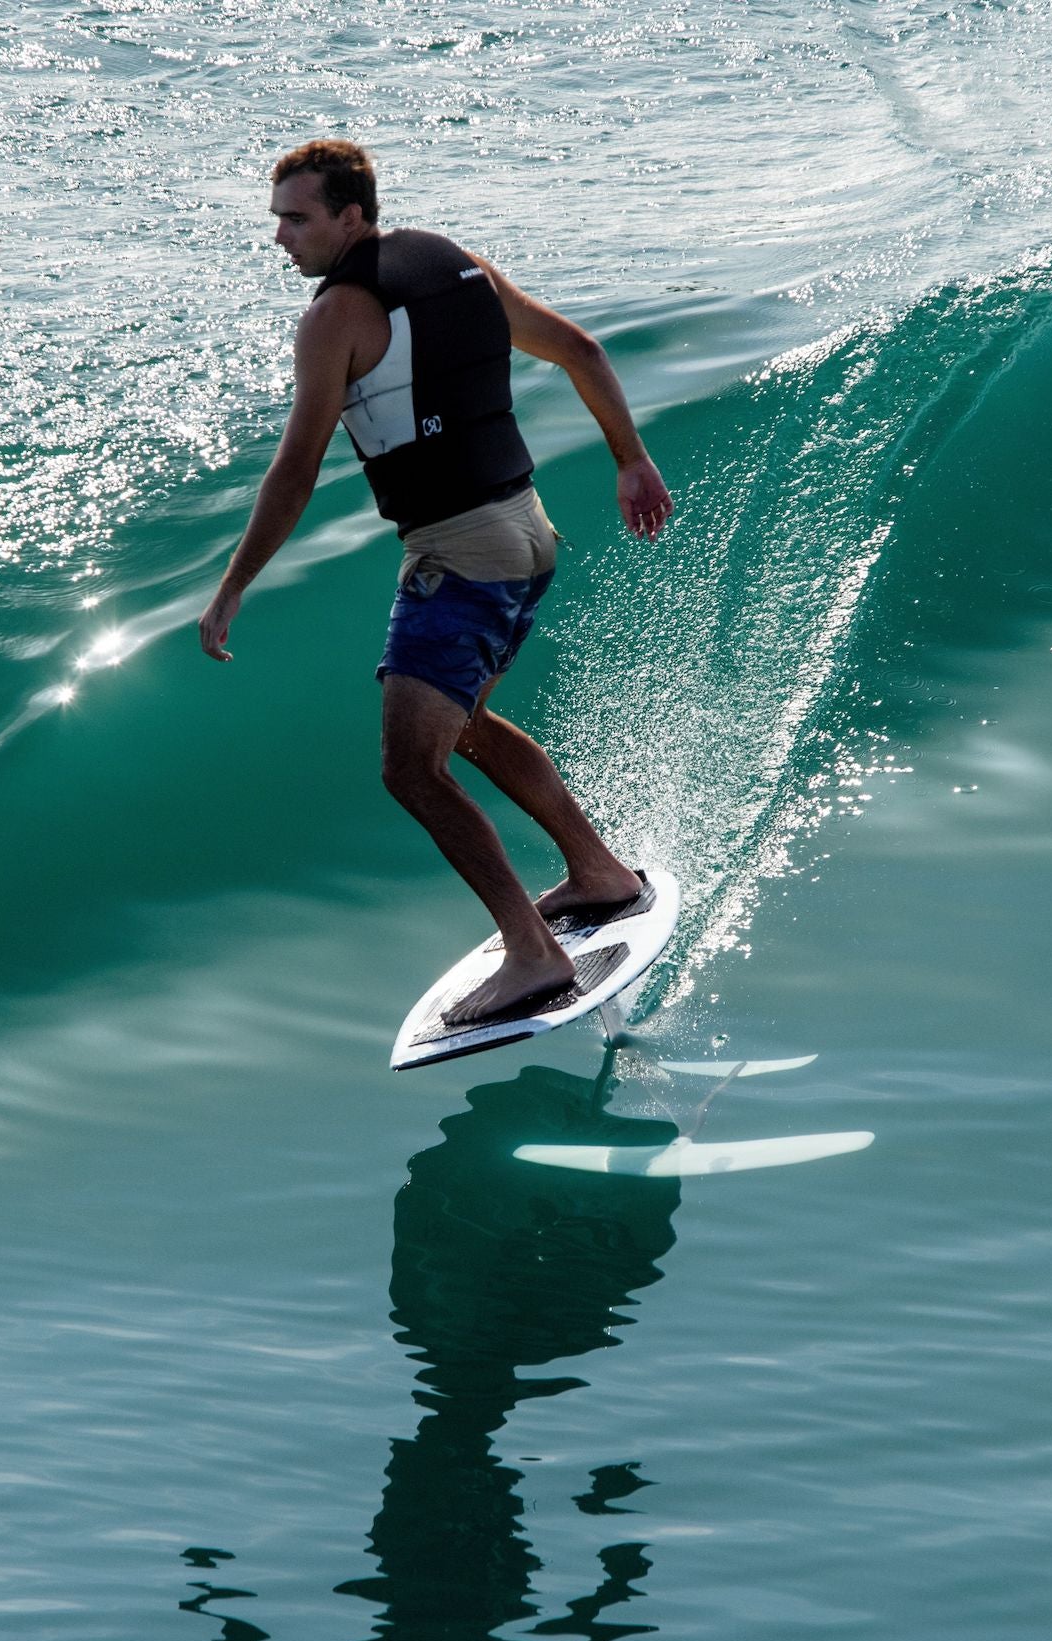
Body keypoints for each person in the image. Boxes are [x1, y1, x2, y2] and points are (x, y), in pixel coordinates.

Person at [198, 139, 674, 1026]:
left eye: (296, 219)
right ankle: (600, 873)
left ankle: (532, 957)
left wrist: (231, 588)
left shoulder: (335, 315)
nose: (280, 239)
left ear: (352, 215)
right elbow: (580, 349)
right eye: (276, 219)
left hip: (460, 554)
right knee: (468, 729)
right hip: (528, 533)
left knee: (410, 769)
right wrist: (631, 459)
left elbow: (295, 470)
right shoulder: (460, 267)